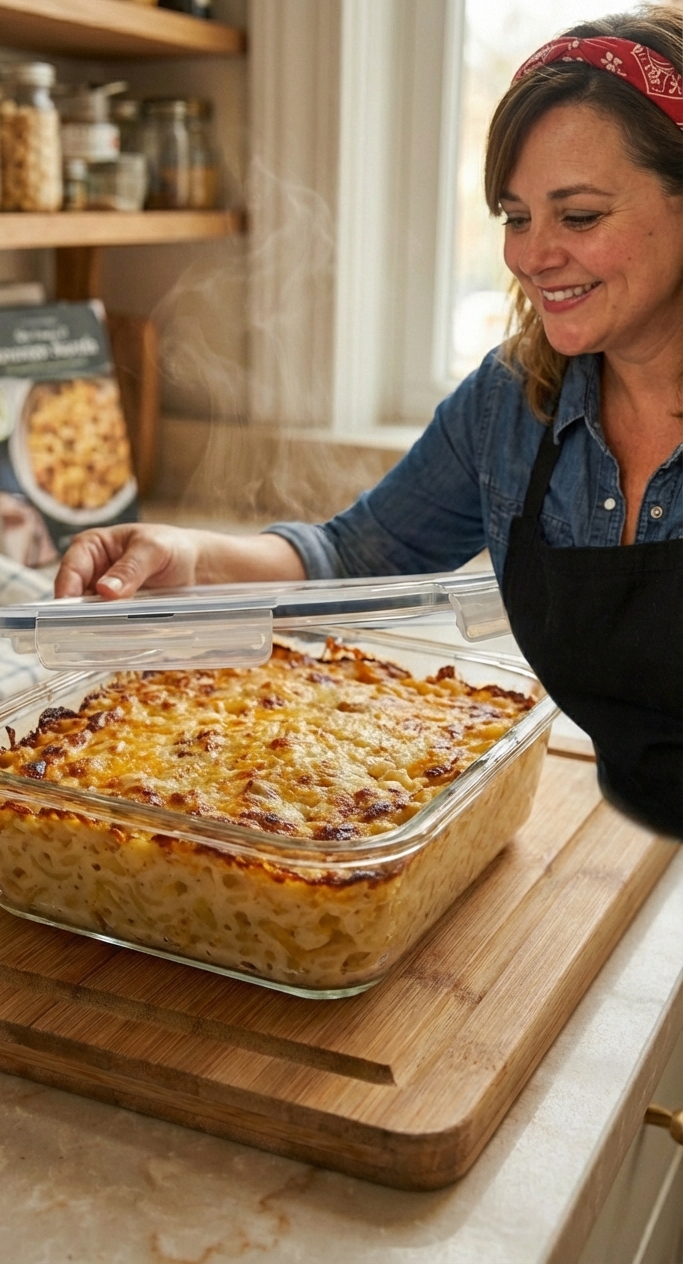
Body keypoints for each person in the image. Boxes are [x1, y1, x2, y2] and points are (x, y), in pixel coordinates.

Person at [56, 5, 683, 839]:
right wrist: (190, 556)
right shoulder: (510, 402)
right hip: (639, 838)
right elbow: (351, 558)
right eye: (514, 216)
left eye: (578, 217)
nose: (532, 256)